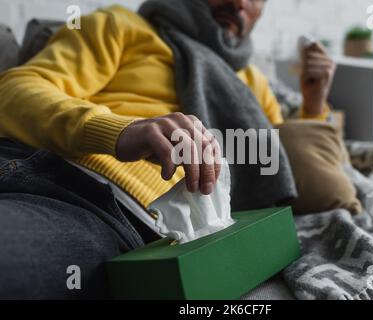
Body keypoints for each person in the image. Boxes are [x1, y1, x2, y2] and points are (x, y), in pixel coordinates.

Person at [0, 0, 336, 298]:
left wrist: (314, 102)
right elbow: (15, 89)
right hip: (57, 179)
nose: (238, 3)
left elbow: (281, 166)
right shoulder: (119, 24)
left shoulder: (253, 82)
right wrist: (120, 130)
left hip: (123, 224)